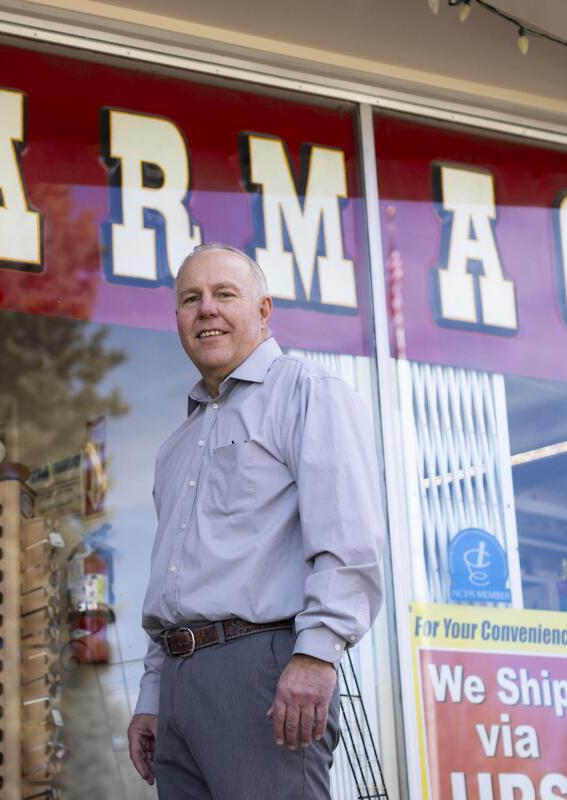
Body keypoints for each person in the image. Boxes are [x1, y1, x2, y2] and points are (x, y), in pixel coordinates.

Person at [126, 243, 384, 799]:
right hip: (178, 682)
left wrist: (316, 655)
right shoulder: (176, 446)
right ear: (176, 320)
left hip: (265, 673)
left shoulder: (307, 393)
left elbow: (349, 541)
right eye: (191, 299)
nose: (207, 310)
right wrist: (153, 698)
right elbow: (170, 581)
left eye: (224, 294)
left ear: (264, 310)